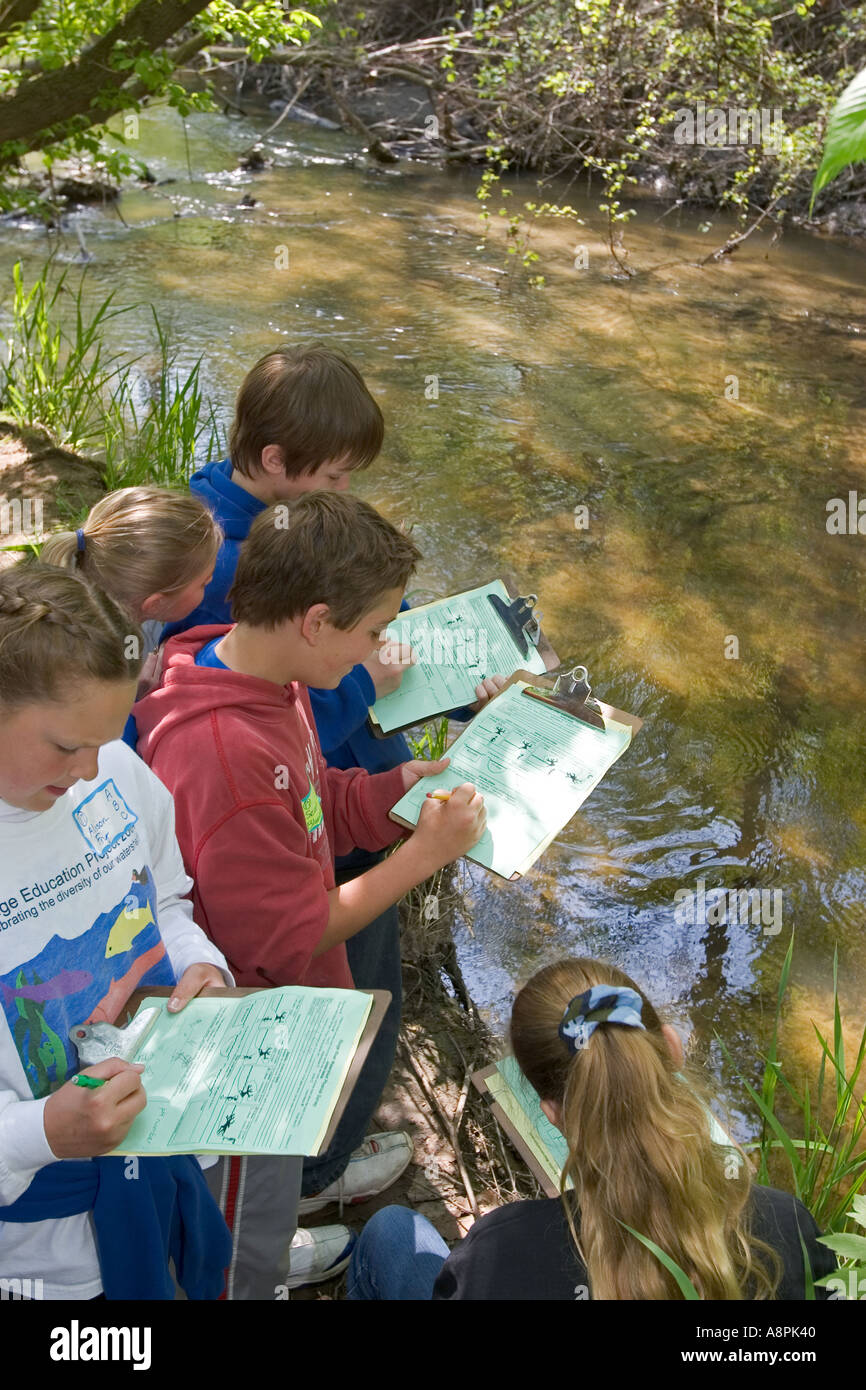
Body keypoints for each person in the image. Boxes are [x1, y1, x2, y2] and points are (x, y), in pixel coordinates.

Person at [159, 346, 500, 1222]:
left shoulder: (272, 681)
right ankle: (298, 1198)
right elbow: (295, 931)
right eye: (376, 632)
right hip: (274, 1004)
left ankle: (296, 1184)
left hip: (308, 906)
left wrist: (381, 796)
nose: (386, 650)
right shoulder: (236, 753)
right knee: (269, 1147)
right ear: (317, 626)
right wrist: (421, 849)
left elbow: (313, 780)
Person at [0, 564, 235, 1300]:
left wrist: (201, 964)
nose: (90, 770)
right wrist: (43, 1134)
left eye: (108, 737)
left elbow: (165, 896)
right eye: (67, 746)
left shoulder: (115, 773)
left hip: (160, 1164)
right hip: (42, 1258)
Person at [346, 956, 839, 1300]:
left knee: (392, 1234)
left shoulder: (501, 1253)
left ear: (553, 1112)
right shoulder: (786, 1228)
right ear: (672, 1048)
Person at [41, 486, 222, 659]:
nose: (211, 580)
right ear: (156, 604)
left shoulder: (130, 620)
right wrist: (144, 688)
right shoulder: (109, 663)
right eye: (203, 583)